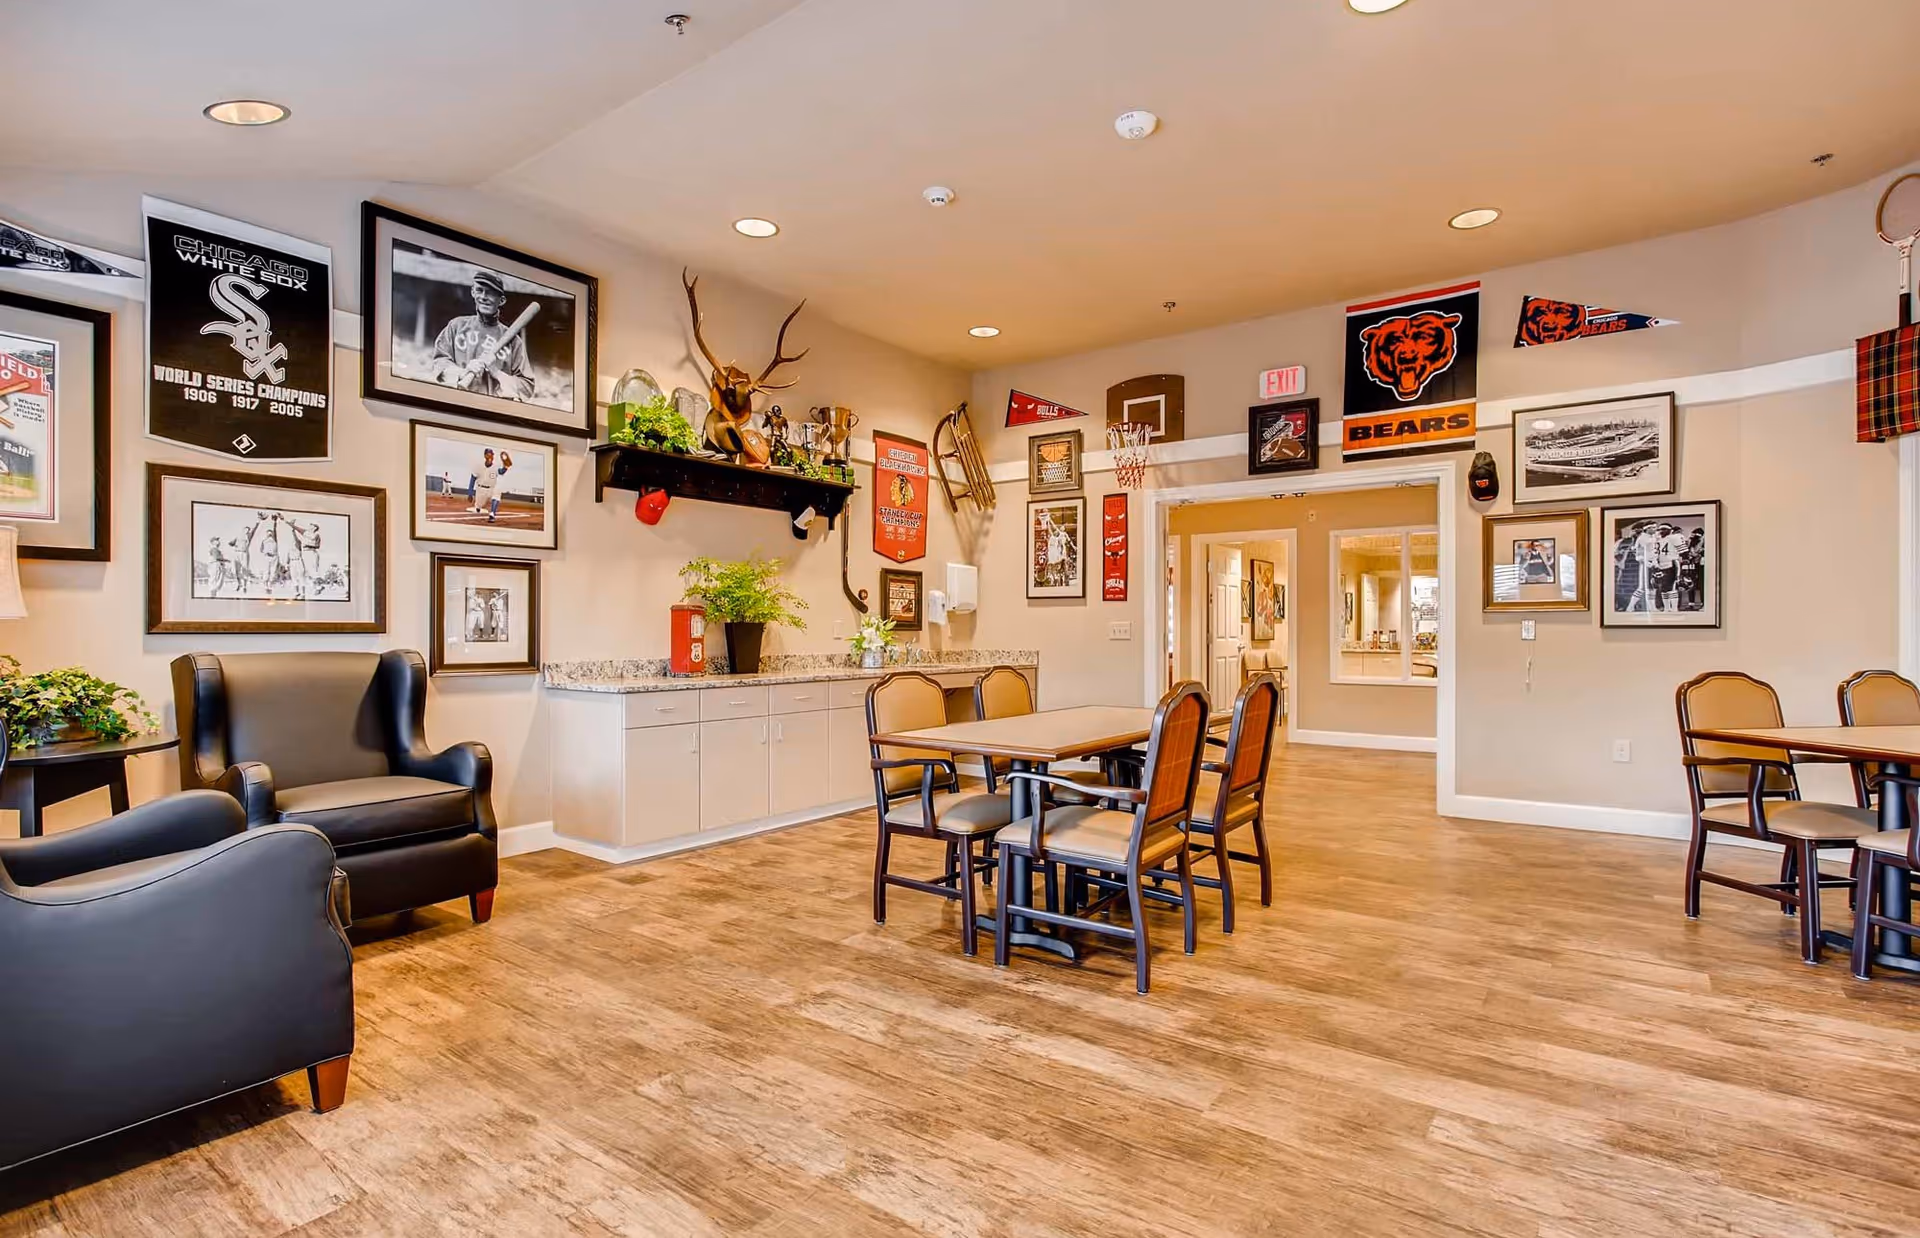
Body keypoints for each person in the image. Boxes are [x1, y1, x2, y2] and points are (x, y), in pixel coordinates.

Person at [430, 270, 536, 401]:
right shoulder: (456, 326)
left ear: (501, 300)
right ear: (473, 292)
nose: (484, 297)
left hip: (493, 408)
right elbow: (438, 363)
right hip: (457, 401)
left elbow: (527, 387)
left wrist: (496, 372)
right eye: (480, 290)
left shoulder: (514, 342)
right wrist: (462, 372)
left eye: (491, 293)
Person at [468, 447, 513, 522]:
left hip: (492, 489)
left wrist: (506, 467)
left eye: (492, 455)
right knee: (479, 505)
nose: (490, 456)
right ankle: (478, 507)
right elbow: (472, 479)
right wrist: (470, 493)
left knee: (497, 492)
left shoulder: (495, 466)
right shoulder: (478, 466)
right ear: (485, 456)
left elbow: (501, 472)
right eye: (489, 454)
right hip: (480, 490)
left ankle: (492, 514)